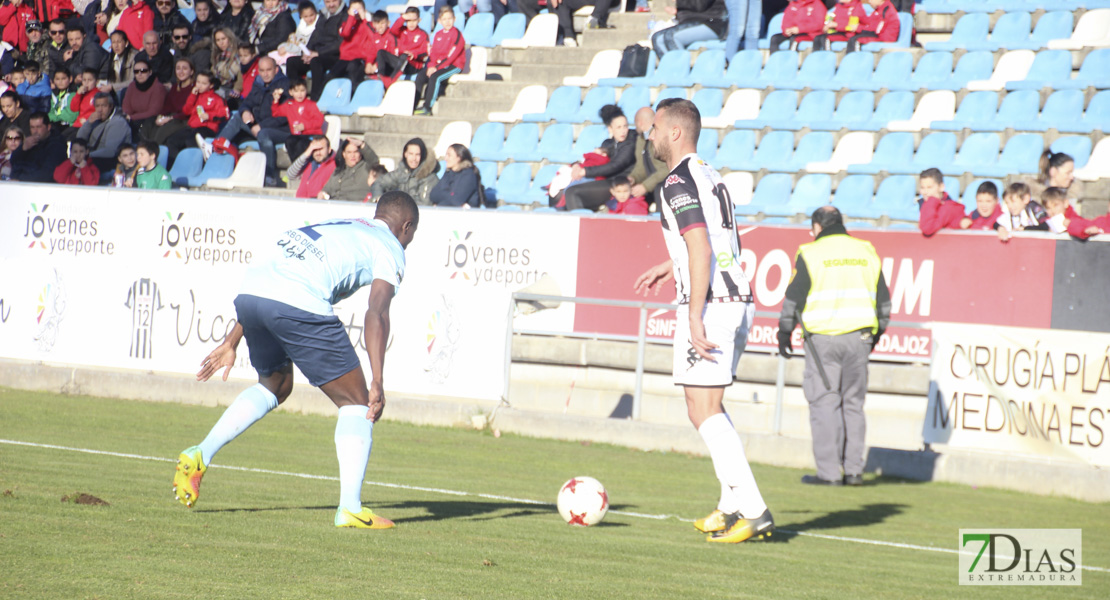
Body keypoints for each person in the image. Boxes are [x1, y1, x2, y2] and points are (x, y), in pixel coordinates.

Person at [175, 192, 420, 532]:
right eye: (411, 236)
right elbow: (377, 311)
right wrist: (377, 379)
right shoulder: (389, 245)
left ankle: (199, 454)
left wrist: (232, 341)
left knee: (276, 384)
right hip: (295, 301)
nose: (407, 243)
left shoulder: (342, 225)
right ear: (406, 227)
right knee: (357, 402)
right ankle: (350, 508)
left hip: (251, 295)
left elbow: (277, 279)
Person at [633, 98, 773, 544]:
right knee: (706, 406)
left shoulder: (676, 181)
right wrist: (668, 264)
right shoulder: (709, 175)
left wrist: (694, 314)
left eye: (654, 128)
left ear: (674, 132)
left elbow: (701, 245)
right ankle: (730, 506)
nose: (649, 136)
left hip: (714, 303)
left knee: (703, 409)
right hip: (733, 294)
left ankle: (754, 510)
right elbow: (711, 239)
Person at [778, 205, 891, 487]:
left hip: (823, 341)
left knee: (824, 403)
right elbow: (884, 301)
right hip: (860, 338)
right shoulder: (866, 250)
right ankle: (854, 471)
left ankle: (828, 474)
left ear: (817, 227)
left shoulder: (810, 253)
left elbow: (793, 298)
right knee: (853, 404)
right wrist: (875, 336)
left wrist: (784, 331)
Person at [206, 56, 287, 160]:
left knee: (263, 134)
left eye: (268, 70)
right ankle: (215, 147)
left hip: (278, 129)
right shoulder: (259, 83)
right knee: (238, 117)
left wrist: (261, 126)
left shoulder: (285, 85)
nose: (265, 74)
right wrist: (245, 111)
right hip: (260, 125)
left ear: (276, 69)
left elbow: (285, 116)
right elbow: (247, 102)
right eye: (262, 70)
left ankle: (269, 174)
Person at [560, 104, 636, 211]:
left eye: (625, 126)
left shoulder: (630, 142)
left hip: (619, 182)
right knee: (560, 192)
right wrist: (576, 165)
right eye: (619, 127)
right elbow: (593, 160)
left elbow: (615, 166)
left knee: (572, 192)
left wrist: (584, 171)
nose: (623, 131)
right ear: (610, 129)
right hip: (607, 180)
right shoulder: (608, 143)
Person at [262, 77, 322, 185]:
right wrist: (275, 101)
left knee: (301, 144)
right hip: (297, 135)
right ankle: (298, 168)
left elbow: (319, 120)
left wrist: (305, 126)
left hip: (311, 134)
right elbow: (276, 113)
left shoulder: (311, 105)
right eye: (296, 91)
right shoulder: (289, 104)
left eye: (302, 90)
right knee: (290, 141)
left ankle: (306, 169)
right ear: (291, 92)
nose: (300, 94)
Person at [285, 0, 345, 102]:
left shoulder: (345, 16)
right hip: (316, 54)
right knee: (291, 62)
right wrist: (307, 52)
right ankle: (293, 98)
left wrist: (318, 53)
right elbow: (315, 34)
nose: (331, 4)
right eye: (327, 2)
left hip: (334, 56)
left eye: (334, 1)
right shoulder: (323, 14)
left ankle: (314, 99)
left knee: (316, 61)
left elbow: (340, 43)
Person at [165, 70, 227, 164]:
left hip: (206, 128)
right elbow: (186, 111)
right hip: (192, 127)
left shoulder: (217, 99)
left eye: (204, 83)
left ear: (210, 85)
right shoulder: (195, 96)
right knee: (171, 141)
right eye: (198, 82)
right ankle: (175, 167)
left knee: (191, 141)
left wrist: (209, 116)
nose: (199, 85)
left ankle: (193, 167)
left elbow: (224, 114)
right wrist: (192, 96)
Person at [412, 6, 464, 116]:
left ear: (454, 19)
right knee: (421, 76)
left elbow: (451, 56)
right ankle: (413, 105)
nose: (447, 22)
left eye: (449, 18)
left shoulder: (457, 34)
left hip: (454, 65)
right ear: (439, 21)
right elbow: (433, 54)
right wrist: (431, 65)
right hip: (437, 65)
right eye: (444, 19)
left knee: (435, 77)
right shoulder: (438, 34)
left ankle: (427, 108)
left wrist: (436, 68)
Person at [139, 57, 194, 144]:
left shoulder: (194, 89)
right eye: (178, 68)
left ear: (191, 71)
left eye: (185, 68)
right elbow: (167, 106)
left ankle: (155, 152)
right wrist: (160, 117)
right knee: (149, 124)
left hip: (183, 120)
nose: (181, 71)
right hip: (171, 117)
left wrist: (170, 118)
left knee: (164, 130)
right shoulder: (175, 87)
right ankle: (144, 151)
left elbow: (188, 112)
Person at [370, 137, 438, 205]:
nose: (414, 158)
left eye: (417, 155)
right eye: (411, 154)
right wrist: (378, 197)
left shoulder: (429, 178)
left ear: (422, 156)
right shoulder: (402, 172)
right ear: (405, 154)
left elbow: (424, 204)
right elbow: (378, 183)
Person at [650, 0, 728, 59]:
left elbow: (699, 5)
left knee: (671, 36)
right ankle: (671, 72)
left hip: (711, 23)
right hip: (691, 23)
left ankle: (681, 73)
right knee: (657, 38)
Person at [76, 90, 131, 172]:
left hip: (110, 162)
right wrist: (88, 123)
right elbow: (79, 140)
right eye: (97, 106)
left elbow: (110, 151)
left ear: (111, 106)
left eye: (104, 106)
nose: (100, 110)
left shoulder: (118, 122)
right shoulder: (95, 120)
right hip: (92, 157)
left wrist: (86, 155)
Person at [626, 106, 668, 210]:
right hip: (651, 183)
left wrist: (645, 186)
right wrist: (632, 178)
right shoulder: (641, 140)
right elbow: (641, 167)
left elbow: (667, 169)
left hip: (667, 183)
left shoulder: (661, 138)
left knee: (660, 189)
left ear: (639, 123)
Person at [9, 110, 66, 181]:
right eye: (32, 127)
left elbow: (46, 174)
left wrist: (20, 178)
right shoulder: (29, 142)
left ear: (48, 127)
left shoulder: (57, 145)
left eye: (38, 127)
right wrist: (23, 149)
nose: (35, 131)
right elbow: (12, 162)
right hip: (21, 182)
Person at [319, 136, 375, 201]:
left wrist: (362, 144)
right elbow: (327, 189)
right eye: (349, 152)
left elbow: (374, 160)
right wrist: (322, 194)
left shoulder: (366, 167)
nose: (352, 155)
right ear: (344, 154)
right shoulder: (338, 170)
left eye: (356, 152)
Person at [429, 143, 483, 208]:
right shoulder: (448, 173)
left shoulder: (469, 175)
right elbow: (433, 195)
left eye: (449, 155)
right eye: (446, 155)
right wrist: (450, 195)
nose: (445, 158)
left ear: (459, 158)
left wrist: (443, 197)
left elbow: (456, 201)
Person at [121, 59, 165, 136]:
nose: (139, 74)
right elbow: (126, 107)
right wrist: (128, 117)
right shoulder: (132, 86)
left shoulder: (158, 87)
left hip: (150, 121)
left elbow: (154, 112)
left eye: (143, 71)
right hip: (133, 120)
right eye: (136, 71)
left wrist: (132, 117)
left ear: (150, 72)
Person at [916, 168, 963, 236]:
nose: (925, 192)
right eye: (923, 188)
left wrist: (931, 201)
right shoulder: (925, 204)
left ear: (941, 187)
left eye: (929, 187)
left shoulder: (950, 207)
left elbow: (927, 228)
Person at [286, 133, 335, 198]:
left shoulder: (335, 165)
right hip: (301, 203)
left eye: (320, 149)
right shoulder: (309, 163)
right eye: (314, 149)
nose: (318, 153)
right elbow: (290, 175)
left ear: (329, 150)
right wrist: (306, 153)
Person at [389, 7, 428, 81]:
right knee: (382, 53)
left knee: (404, 56)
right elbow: (392, 31)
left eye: (414, 20)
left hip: (413, 65)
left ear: (419, 20)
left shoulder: (423, 34)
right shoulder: (401, 31)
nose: (411, 23)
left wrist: (413, 54)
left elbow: (425, 51)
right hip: (399, 62)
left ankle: (391, 80)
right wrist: (402, 18)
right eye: (408, 20)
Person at [105, 30, 135, 97]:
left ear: (126, 43)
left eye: (119, 42)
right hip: (114, 92)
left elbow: (133, 81)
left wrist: (112, 87)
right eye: (113, 42)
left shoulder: (133, 57)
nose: (116, 45)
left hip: (129, 92)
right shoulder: (110, 58)